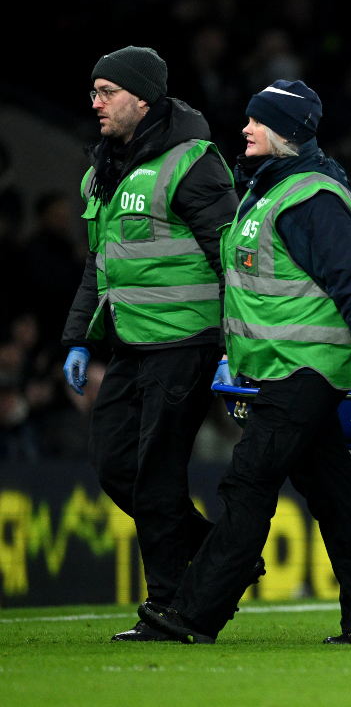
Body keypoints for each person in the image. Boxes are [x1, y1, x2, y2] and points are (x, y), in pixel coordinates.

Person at [139, 81, 351, 645]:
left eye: (258, 121)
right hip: (285, 368)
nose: (246, 128)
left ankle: (192, 614)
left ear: (285, 132)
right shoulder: (271, 190)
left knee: (248, 482)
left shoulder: (311, 198)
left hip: (304, 370)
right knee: (336, 497)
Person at [61, 47, 237, 641]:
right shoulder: (102, 169)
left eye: (107, 91)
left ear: (143, 98)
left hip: (188, 342)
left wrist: (234, 339)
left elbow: (230, 257)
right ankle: (219, 553)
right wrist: (78, 338)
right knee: (115, 466)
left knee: (158, 474)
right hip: (133, 345)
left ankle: (166, 604)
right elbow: (99, 263)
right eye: (93, 91)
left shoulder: (192, 163)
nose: (95, 103)